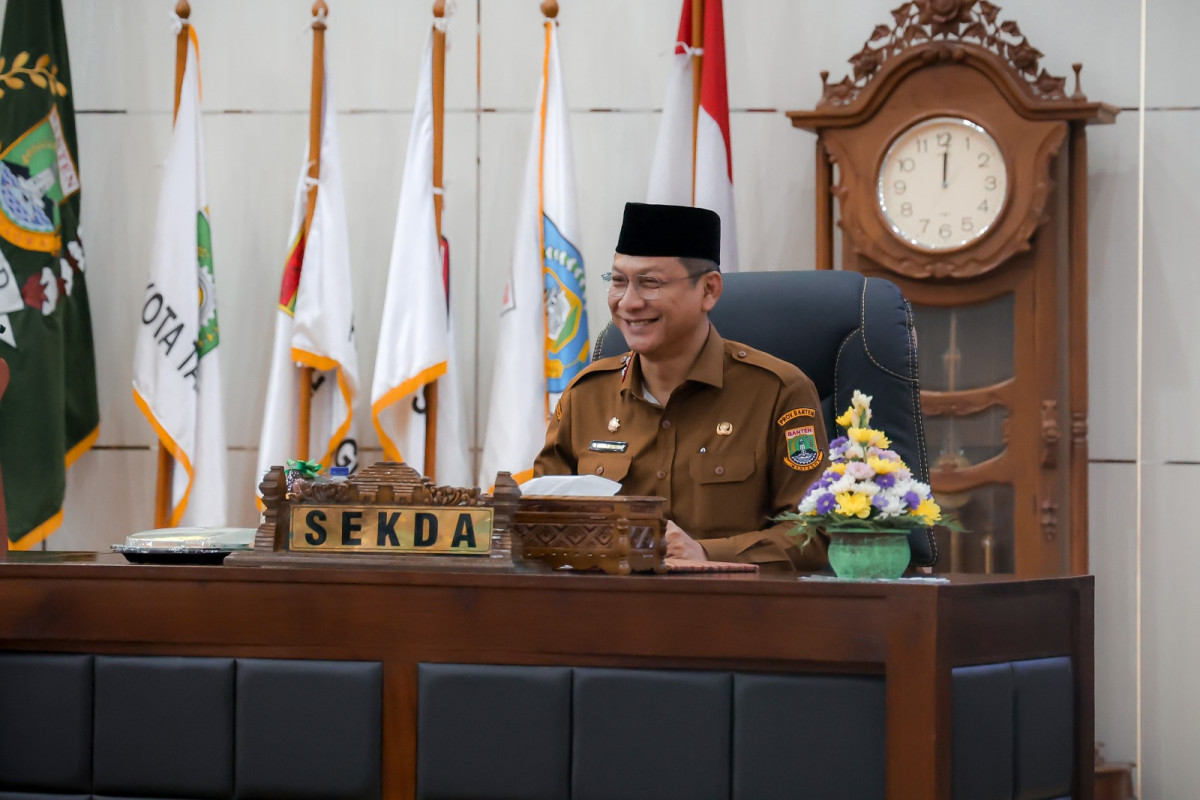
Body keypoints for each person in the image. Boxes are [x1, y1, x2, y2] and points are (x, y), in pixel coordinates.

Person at [534, 202, 829, 571]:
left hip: (731, 614)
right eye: (619, 282)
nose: (628, 303)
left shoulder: (778, 392)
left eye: (650, 283)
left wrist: (708, 554)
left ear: (708, 290)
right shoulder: (586, 395)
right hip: (607, 612)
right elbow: (540, 520)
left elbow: (815, 533)